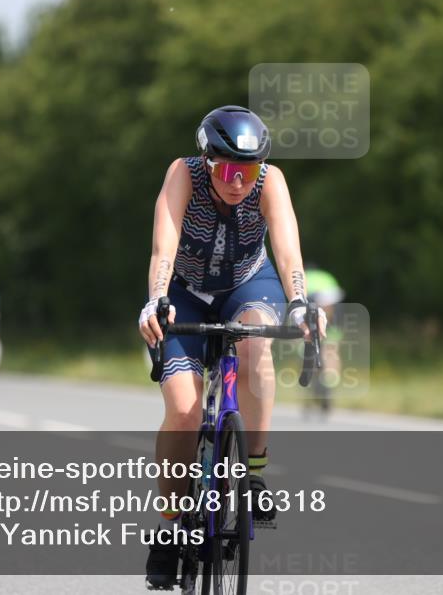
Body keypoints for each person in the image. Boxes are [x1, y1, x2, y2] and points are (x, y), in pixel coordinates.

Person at [137, 105, 325, 589]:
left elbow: (286, 248)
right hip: (185, 294)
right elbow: (165, 245)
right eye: (226, 170)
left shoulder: (271, 182)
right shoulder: (184, 174)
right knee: (182, 412)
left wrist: (301, 302)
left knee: (255, 347)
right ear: (207, 160)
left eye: (248, 170)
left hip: (248, 285)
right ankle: (171, 526)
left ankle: (254, 470)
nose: (238, 181)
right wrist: (157, 298)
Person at [303, 267, 345, 418]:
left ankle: (316, 385)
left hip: (311, 309)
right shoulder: (327, 276)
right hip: (333, 312)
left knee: (308, 354)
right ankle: (329, 381)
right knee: (331, 350)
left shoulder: (302, 276)